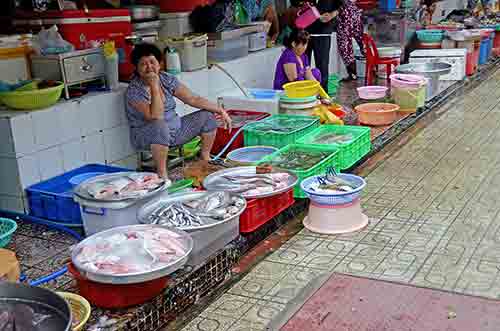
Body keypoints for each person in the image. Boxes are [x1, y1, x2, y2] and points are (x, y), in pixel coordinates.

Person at [125, 43, 232, 179]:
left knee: (207, 115)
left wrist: (220, 110)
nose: (149, 67)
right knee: (160, 124)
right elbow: (155, 116)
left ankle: (205, 158)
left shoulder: (166, 79)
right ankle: (162, 174)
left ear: (159, 64)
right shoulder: (134, 91)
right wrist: (154, 86)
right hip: (146, 136)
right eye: (143, 64)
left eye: (152, 62)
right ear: (137, 68)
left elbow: (192, 99)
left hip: (175, 131)